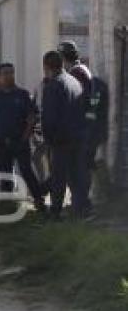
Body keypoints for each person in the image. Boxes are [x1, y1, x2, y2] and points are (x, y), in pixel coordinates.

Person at [0, 63, 46, 212]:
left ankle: (39, 200)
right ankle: (7, 205)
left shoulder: (22, 94)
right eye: (5, 73)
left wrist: (26, 136)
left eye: (11, 72)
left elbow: (31, 116)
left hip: (20, 141)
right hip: (1, 143)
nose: (9, 76)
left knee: (26, 170)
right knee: (5, 174)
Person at [41, 50, 88, 220]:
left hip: (61, 140)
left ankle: (56, 212)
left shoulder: (53, 85)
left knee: (58, 178)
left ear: (46, 66)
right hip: (78, 136)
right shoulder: (74, 81)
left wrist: (48, 139)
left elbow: (49, 117)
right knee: (76, 175)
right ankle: (80, 210)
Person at [58, 41, 94, 213]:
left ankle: (80, 205)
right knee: (78, 168)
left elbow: (76, 102)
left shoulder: (76, 73)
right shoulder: (82, 70)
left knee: (76, 168)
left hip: (78, 129)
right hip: (83, 127)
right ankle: (80, 203)